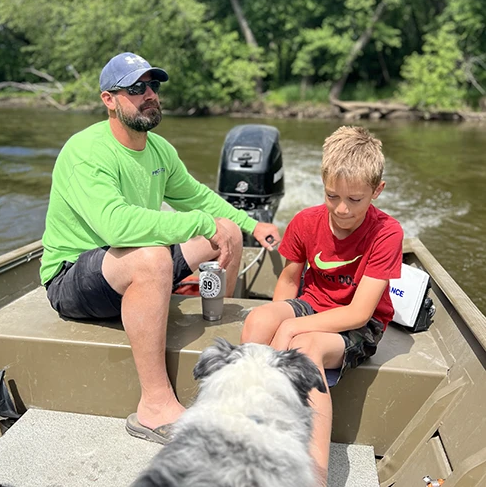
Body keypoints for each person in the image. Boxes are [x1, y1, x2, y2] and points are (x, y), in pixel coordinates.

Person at [40, 52, 281, 444]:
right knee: (153, 256)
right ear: (109, 100)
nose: (149, 94)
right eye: (136, 88)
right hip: (73, 277)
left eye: (153, 86)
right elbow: (116, 226)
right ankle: (154, 407)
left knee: (228, 234)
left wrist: (253, 225)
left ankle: (219, 337)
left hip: (126, 265)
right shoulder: (86, 151)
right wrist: (201, 224)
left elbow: (199, 198)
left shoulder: (158, 149)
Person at [241, 125, 403, 484]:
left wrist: (292, 328)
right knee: (258, 320)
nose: (342, 209)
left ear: (377, 191)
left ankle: (315, 473)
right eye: (332, 196)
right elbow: (287, 280)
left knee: (304, 346)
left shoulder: (387, 232)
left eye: (355, 199)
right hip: (312, 303)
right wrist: (282, 317)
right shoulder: (305, 221)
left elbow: (360, 313)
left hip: (358, 324)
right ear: (323, 184)